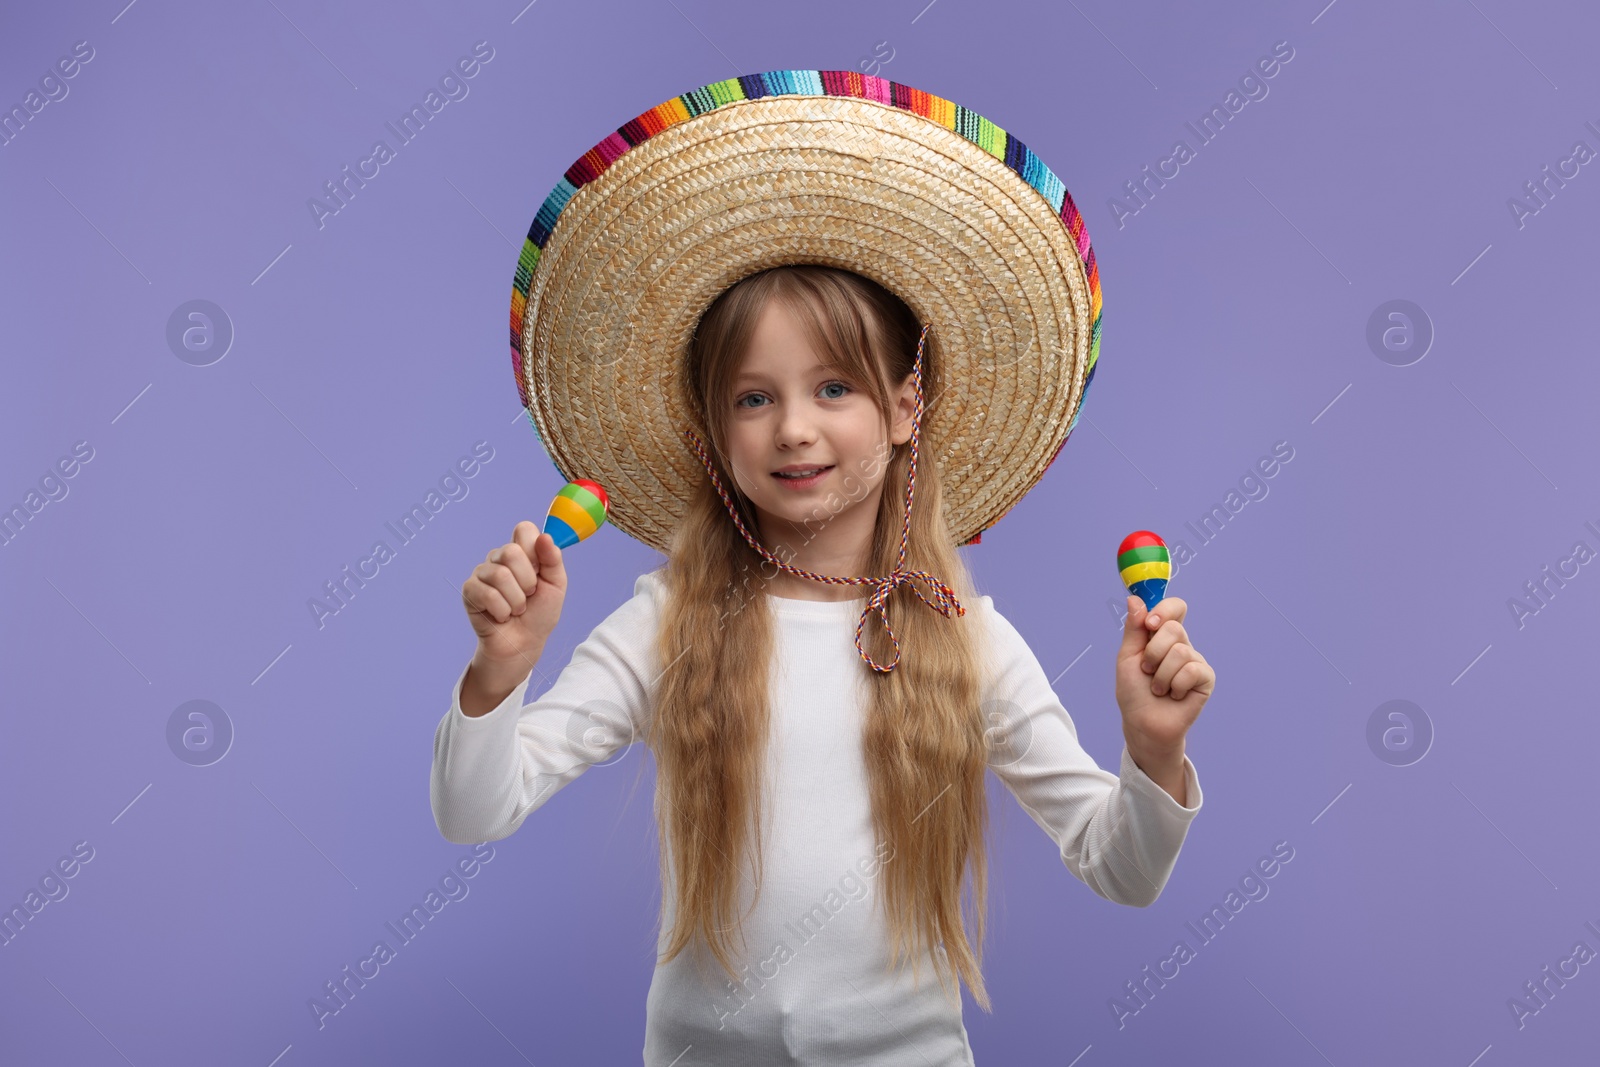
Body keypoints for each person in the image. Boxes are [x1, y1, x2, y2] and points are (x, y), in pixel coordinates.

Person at [431, 71, 1214, 1066]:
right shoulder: (668, 620)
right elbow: (473, 811)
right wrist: (499, 672)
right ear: (715, 431)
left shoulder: (964, 636)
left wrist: (1151, 755)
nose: (794, 428)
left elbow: (1122, 868)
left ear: (902, 408)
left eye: (833, 386)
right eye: (753, 398)